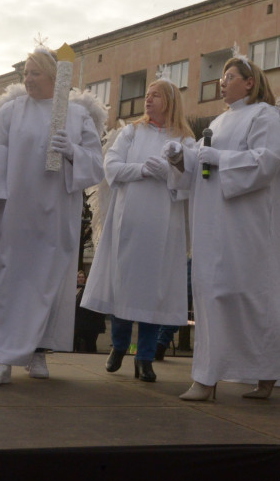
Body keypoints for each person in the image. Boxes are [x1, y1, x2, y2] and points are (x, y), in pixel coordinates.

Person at [164, 56, 280, 401]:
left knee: (251, 294)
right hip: (212, 224)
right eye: (221, 77)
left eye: (229, 76)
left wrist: (222, 160)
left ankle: (265, 372)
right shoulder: (217, 122)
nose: (222, 82)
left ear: (250, 82)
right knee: (213, 293)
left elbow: (268, 160)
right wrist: (179, 159)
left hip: (249, 224)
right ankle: (207, 375)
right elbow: (199, 174)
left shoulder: (266, 116)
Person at [0, 47, 105, 385]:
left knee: (45, 282)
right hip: (13, 214)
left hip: (54, 213)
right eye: (25, 73)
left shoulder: (76, 116)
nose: (28, 79)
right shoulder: (10, 112)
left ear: (53, 77)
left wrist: (73, 151)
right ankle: (0, 358)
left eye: (35, 73)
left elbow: (96, 164)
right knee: (8, 283)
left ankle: (38, 350)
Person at [82, 78, 193, 383]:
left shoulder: (184, 138)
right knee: (124, 285)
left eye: (155, 96)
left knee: (152, 293)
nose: (148, 100)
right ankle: (118, 346)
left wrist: (170, 172)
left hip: (163, 227)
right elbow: (112, 167)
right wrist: (144, 169)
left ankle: (144, 357)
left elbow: (190, 179)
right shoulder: (131, 132)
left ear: (169, 101)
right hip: (129, 221)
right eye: (147, 95)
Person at [73, 269, 106, 353]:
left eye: (82, 277)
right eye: (79, 277)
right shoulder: (78, 290)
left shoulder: (89, 291)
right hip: (85, 324)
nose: (81, 279)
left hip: (88, 324)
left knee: (89, 344)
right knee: (88, 345)